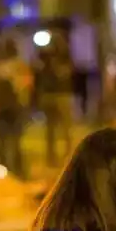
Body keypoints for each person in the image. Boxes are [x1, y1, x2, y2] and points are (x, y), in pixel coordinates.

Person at [0, 40, 32, 177]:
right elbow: (25, 87)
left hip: (3, 110)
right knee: (13, 142)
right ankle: (17, 171)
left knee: (5, 143)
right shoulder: (19, 67)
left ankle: (8, 171)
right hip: (13, 109)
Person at [36, 33, 75, 167]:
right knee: (55, 130)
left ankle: (65, 157)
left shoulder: (64, 59)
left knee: (61, 130)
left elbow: (64, 74)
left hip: (59, 95)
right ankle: (54, 157)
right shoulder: (47, 58)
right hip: (55, 96)